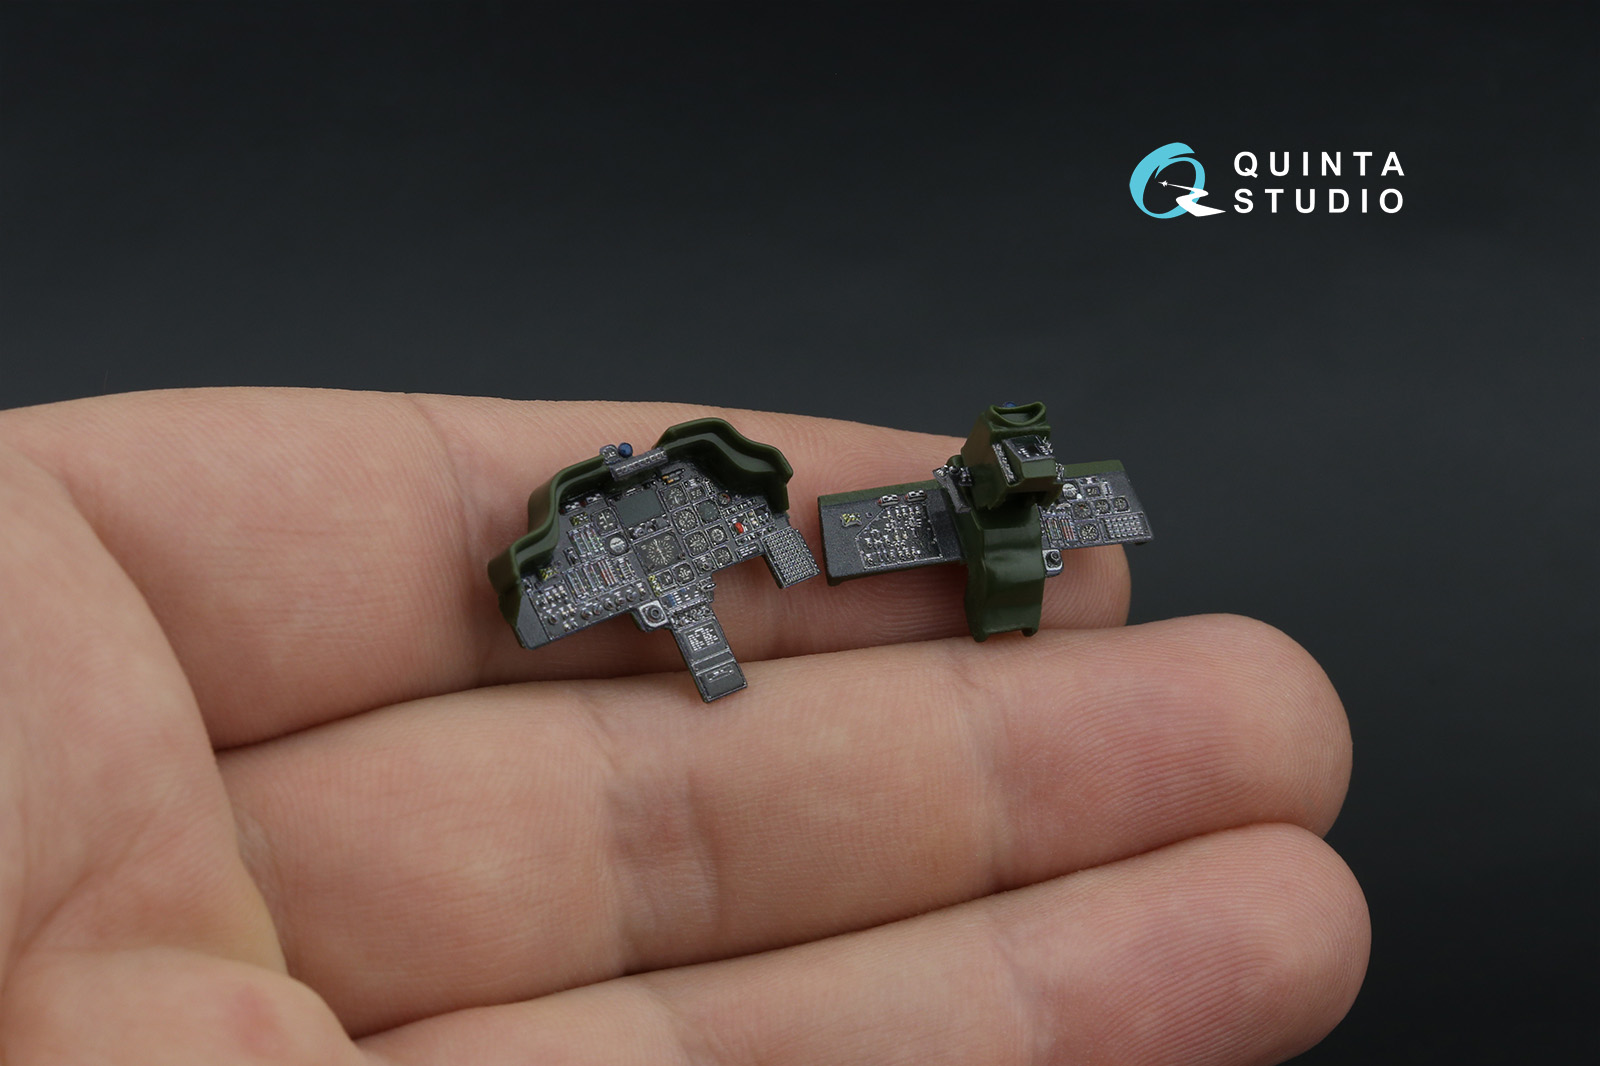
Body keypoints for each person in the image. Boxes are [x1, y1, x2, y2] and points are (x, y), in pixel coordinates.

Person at [0, 389, 1369, 1064]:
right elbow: (663, 550)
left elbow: (776, 523)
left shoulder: (754, 508)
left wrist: (771, 545)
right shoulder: (639, 534)